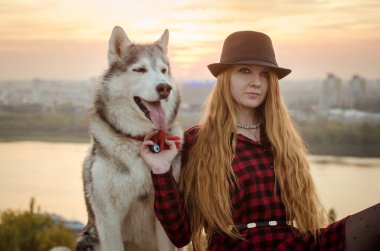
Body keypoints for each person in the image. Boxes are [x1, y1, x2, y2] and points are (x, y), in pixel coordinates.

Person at [140, 31, 380, 250]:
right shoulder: (200, 141)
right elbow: (180, 235)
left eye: (264, 74)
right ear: (226, 78)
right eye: (245, 71)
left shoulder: (282, 140)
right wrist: (161, 171)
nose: (256, 81)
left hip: (292, 244)